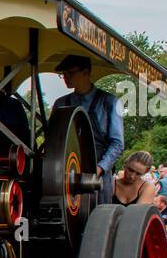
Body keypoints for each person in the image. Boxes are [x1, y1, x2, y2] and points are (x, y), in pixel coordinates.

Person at [52, 55, 124, 185]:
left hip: (98, 177)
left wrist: (99, 169)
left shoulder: (109, 102)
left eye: (70, 73)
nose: (65, 78)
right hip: (67, 174)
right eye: (63, 74)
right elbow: (53, 141)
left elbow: (117, 144)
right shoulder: (60, 104)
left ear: (86, 72)